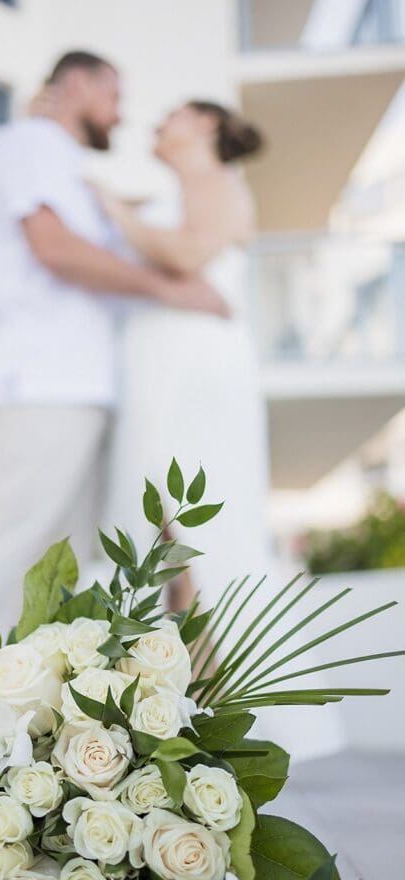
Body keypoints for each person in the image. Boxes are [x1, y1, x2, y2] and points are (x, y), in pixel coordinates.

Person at [0, 55, 228, 637]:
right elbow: (55, 248)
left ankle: (11, 719)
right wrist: (172, 292)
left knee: (57, 564)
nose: (120, 116)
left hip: (79, 387)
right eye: (114, 96)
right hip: (45, 380)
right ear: (77, 84)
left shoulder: (63, 165)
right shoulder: (32, 143)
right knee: (16, 539)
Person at [101, 100, 344, 759]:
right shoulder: (176, 192)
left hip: (192, 371)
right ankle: (169, 697)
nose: (156, 122)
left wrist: (114, 210)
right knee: (152, 526)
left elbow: (185, 255)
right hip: (155, 364)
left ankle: (224, 703)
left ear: (205, 126)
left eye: (170, 114)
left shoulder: (219, 186)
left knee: (196, 522)